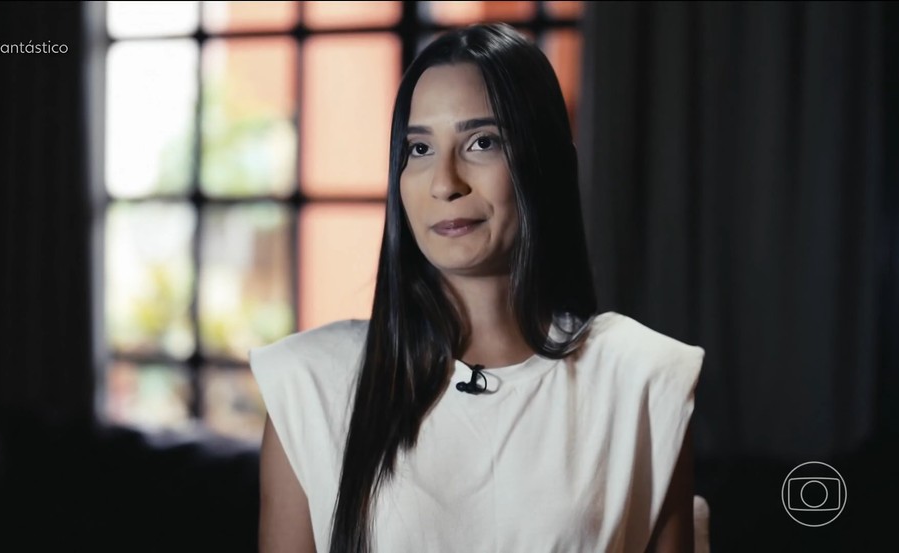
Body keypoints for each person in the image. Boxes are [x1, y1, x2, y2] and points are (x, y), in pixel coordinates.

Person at [251, 23, 703, 553]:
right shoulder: (309, 384)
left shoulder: (639, 378)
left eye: (482, 142)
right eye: (419, 148)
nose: (445, 183)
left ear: (545, 162)